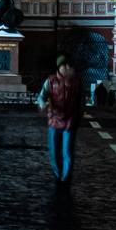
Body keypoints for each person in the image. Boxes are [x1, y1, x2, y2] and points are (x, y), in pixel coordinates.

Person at [37, 55, 84, 184]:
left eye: (69, 66)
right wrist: (43, 105)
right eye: (65, 65)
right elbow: (41, 96)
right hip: (54, 121)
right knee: (54, 153)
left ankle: (65, 179)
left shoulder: (76, 82)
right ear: (60, 67)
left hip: (70, 122)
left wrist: (79, 116)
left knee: (67, 153)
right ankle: (58, 175)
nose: (68, 68)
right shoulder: (51, 81)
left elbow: (81, 102)